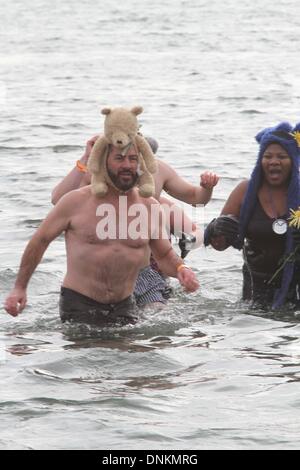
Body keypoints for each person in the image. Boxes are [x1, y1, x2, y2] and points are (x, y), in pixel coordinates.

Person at [4, 143, 199, 325]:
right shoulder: (75, 201)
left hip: (124, 305)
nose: (127, 165)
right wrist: (20, 287)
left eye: (133, 159)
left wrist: (181, 269)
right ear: (103, 162)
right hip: (79, 304)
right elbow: (40, 240)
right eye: (119, 158)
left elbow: (164, 255)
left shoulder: (149, 207)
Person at [51, 134, 218, 307]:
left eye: (135, 161)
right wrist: (85, 159)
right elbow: (59, 200)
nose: (130, 169)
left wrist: (184, 261)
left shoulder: (157, 205)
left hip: (151, 273)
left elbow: (196, 212)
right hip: (107, 275)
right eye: (123, 161)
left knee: (156, 313)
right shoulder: (94, 185)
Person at [204, 121, 300, 310]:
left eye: (282, 156)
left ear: (294, 160)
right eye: (268, 156)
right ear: (260, 161)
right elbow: (220, 245)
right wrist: (216, 228)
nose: (274, 161)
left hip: (295, 286)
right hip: (255, 288)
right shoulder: (245, 191)